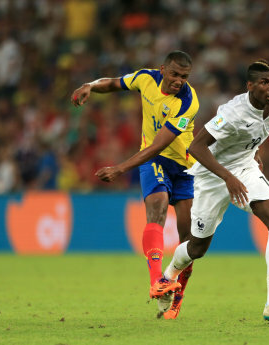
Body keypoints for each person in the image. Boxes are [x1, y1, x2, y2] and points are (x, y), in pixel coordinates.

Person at [154, 59, 269, 322]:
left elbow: (255, 133)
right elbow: (196, 147)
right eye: (265, 82)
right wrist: (227, 177)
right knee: (196, 249)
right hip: (211, 175)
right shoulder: (233, 112)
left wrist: (253, 153)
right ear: (250, 86)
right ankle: (168, 277)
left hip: (244, 168)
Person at [71, 51, 199, 319]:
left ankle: (177, 297)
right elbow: (113, 83)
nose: (178, 81)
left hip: (185, 167)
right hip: (155, 160)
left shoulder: (188, 101)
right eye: (174, 74)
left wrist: (120, 168)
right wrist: (91, 86)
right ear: (163, 69)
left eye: (184, 77)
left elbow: (159, 143)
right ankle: (157, 280)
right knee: (158, 207)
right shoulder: (145, 78)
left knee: (189, 243)